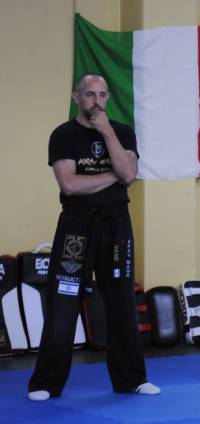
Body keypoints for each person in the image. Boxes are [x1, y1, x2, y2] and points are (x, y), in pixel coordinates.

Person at [28, 74, 159, 401]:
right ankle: (46, 383)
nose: (96, 101)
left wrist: (106, 132)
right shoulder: (63, 135)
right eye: (89, 94)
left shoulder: (122, 132)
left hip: (116, 227)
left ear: (107, 98)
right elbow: (70, 185)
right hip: (76, 226)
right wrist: (114, 174)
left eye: (101, 95)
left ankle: (131, 379)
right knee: (63, 303)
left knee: (122, 302)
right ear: (76, 97)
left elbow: (129, 174)